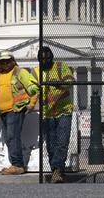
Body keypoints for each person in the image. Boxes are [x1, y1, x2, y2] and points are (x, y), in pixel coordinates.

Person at [30, 46, 75, 183]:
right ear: (38, 59)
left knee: (62, 142)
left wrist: (60, 84)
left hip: (63, 111)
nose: (45, 61)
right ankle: (57, 170)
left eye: (48, 58)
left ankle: (57, 171)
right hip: (47, 114)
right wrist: (33, 89)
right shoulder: (35, 72)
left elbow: (70, 81)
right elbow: (31, 89)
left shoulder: (61, 67)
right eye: (42, 59)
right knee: (51, 145)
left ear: (52, 58)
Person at [0, 50, 39, 175]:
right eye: (3, 61)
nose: (5, 63)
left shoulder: (20, 72)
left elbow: (33, 87)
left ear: (13, 60)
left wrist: (31, 104)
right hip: (3, 112)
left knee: (13, 136)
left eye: (7, 60)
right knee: (9, 138)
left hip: (15, 110)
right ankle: (15, 164)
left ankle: (18, 165)